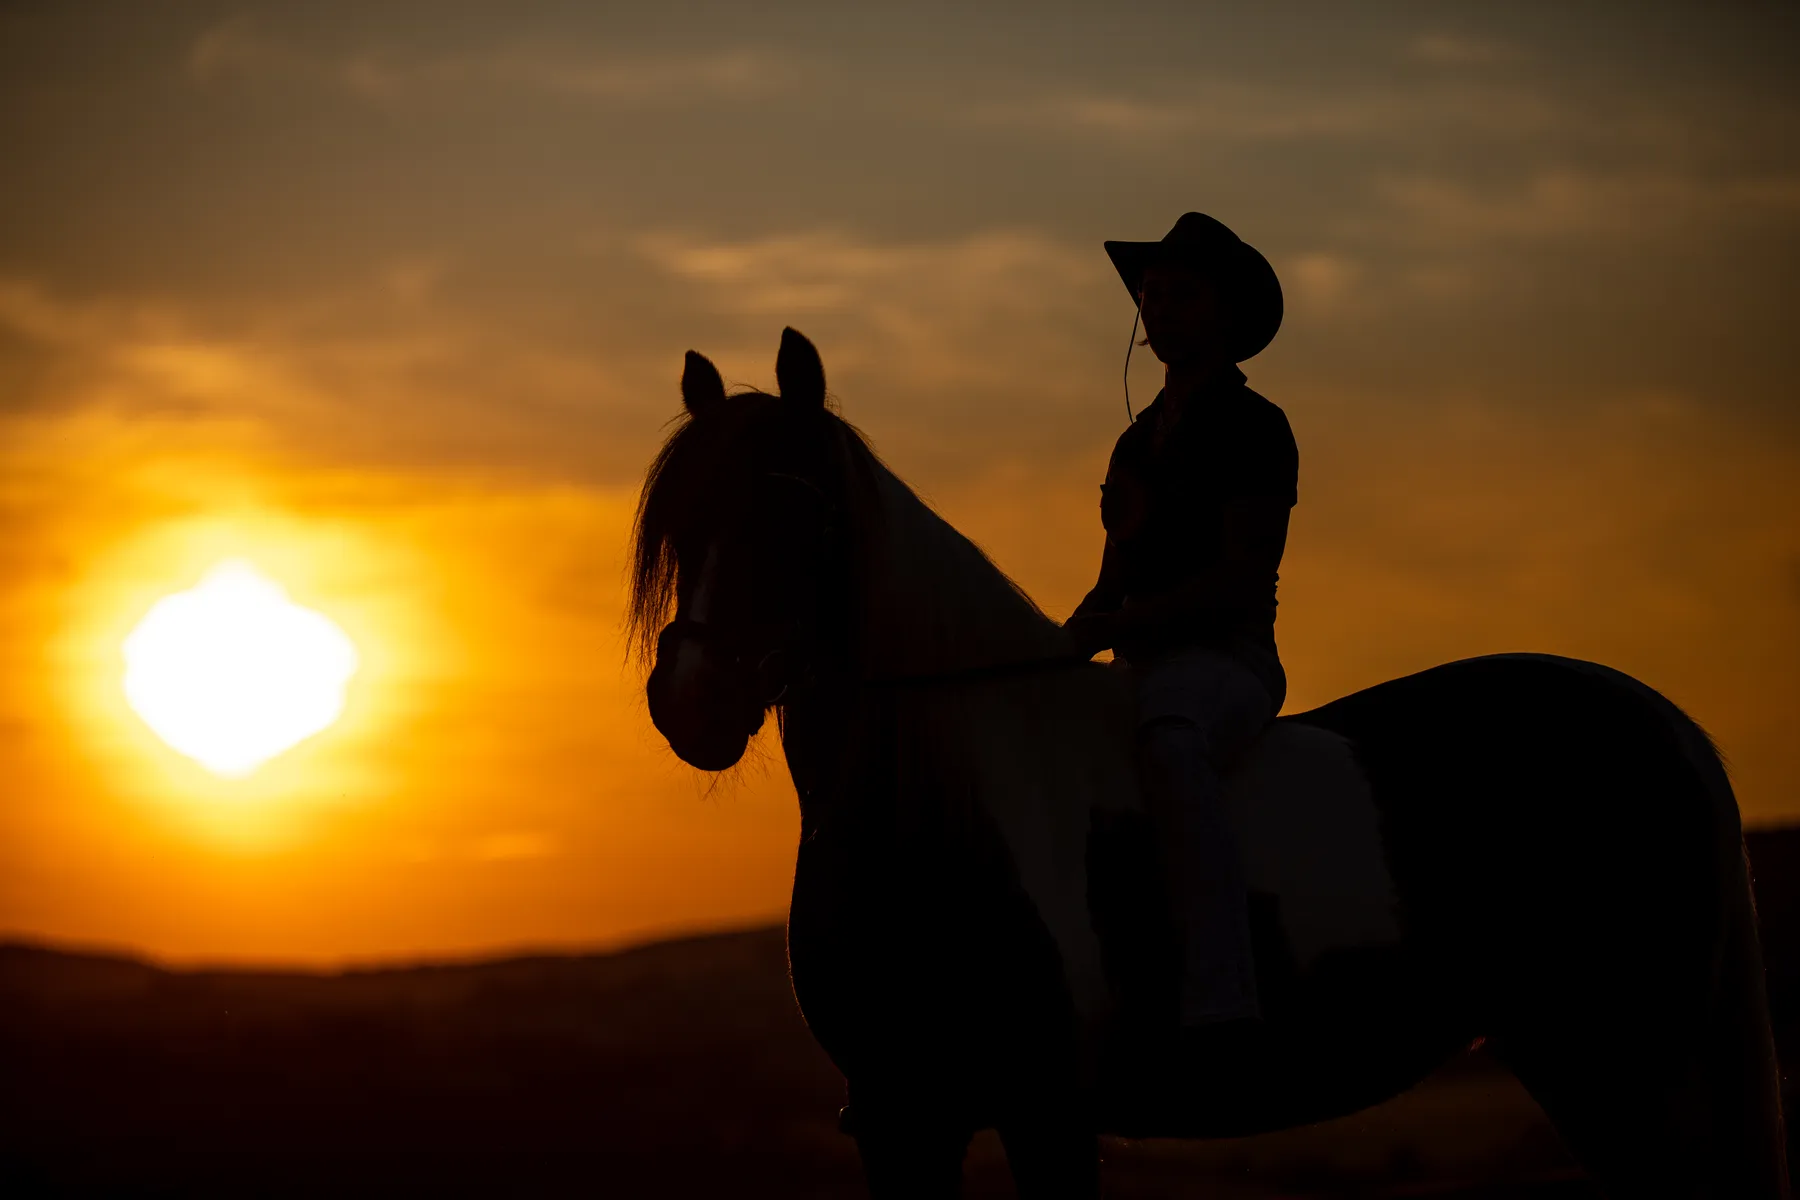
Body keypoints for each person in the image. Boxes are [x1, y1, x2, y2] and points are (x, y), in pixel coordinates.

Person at [1064, 213, 1296, 1047]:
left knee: (1169, 740)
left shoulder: (1257, 428)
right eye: (1151, 295)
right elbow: (1109, 586)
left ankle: (1223, 995)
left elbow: (1238, 580)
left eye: (1179, 295)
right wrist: (1050, 646)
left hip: (1228, 661)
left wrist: (1112, 625)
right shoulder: (1132, 444)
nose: (1159, 309)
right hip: (1141, 662)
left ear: (1223, 314)